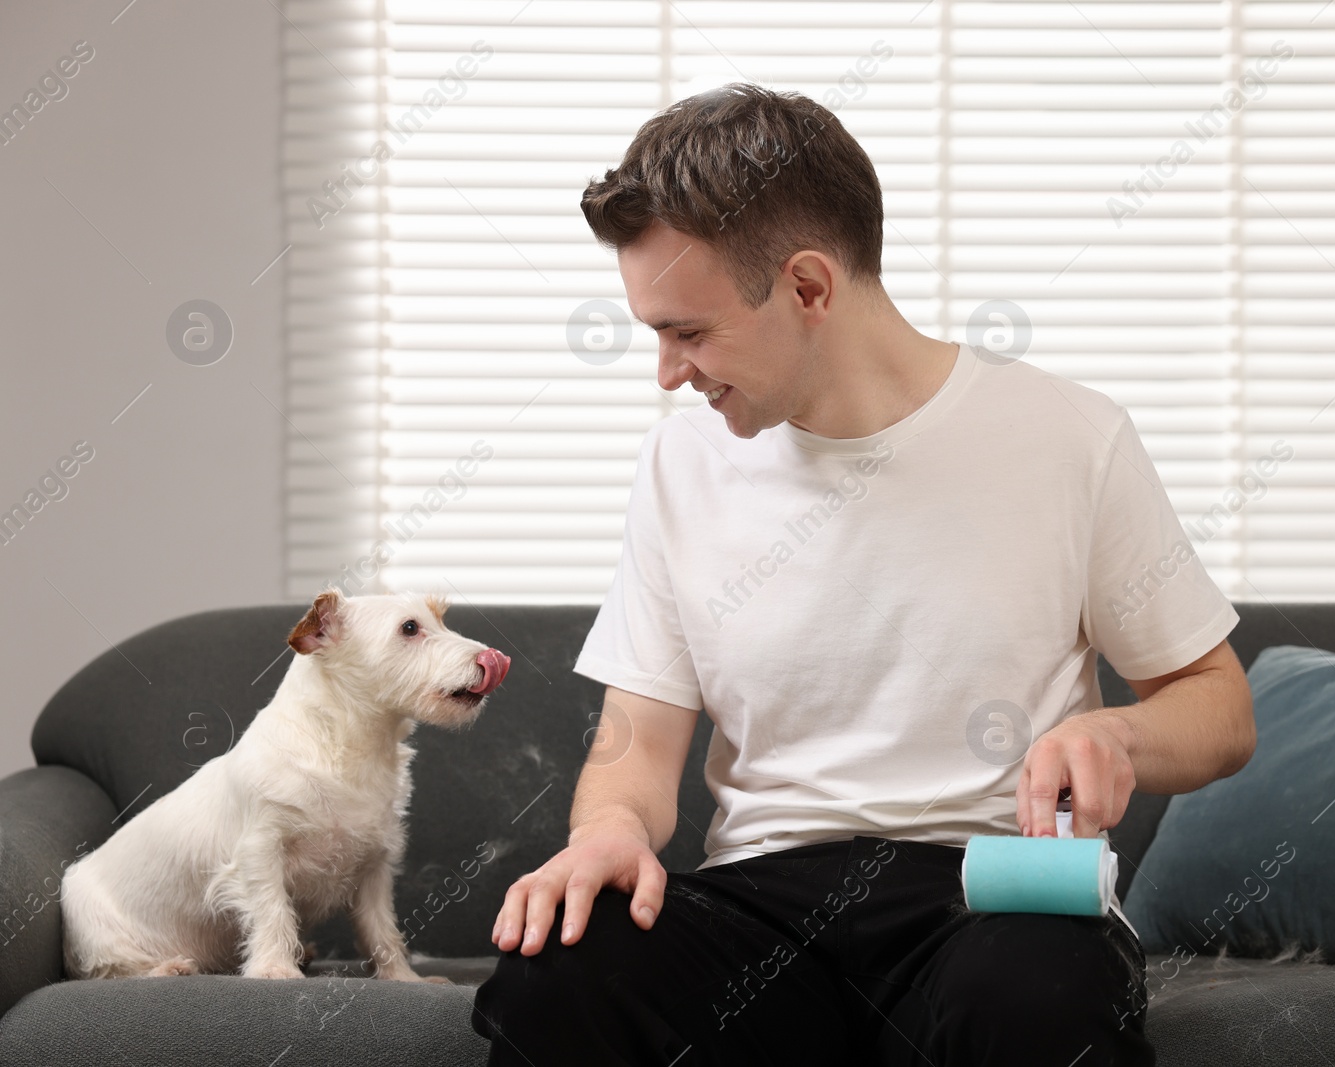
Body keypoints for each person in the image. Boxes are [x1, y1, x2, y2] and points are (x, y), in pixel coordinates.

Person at [472, 81, 1254, 1066]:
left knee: (1030, 997)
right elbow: (636, 744)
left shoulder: (1068, 437)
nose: (667, 371)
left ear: (807, 287)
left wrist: (1117, 730)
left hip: (986, 897)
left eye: (689, 330)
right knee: (560, 974)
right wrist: (610, 829)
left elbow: (1218, 706)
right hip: (760, 905)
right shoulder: (681, 465)